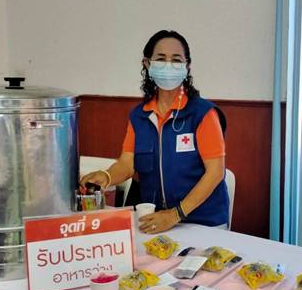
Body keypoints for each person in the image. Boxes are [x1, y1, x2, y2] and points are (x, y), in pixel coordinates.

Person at [80, 30, 229, 233]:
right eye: (160, 58)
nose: (168, 65)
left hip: (202, 222)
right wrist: (106, 176)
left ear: (187, 66)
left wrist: (175, 214)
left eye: (176, 60)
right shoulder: (139, 116)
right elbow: (126, 164)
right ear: (147, 63)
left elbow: (215, 172)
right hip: (155, 219)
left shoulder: (203, 114)